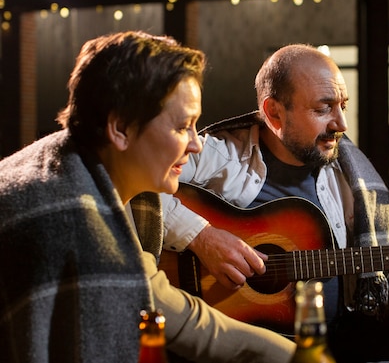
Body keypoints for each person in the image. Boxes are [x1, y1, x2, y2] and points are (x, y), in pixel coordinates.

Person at [161, 44, 389, 363]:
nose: (341, 123)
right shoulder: (218, 157)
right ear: (274, 112)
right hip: (257, 341)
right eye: (323, 108)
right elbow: (132, 188)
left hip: (350, 333)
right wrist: (202, 237)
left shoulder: (349, 174)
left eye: (342, 105)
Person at [0, 31, 295, 363]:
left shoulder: (75, 166)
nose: (196, 144)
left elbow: (163, 303)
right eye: (183, 126)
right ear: (120, 129)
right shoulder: (79, 231)